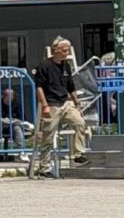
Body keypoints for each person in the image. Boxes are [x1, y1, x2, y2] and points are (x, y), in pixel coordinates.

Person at [33, 36, 89, 177]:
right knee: (48, 136)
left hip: (65, 103)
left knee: (80, 122)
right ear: (55, 50)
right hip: (52, 103)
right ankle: (44, 167)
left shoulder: (66, 66)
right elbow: (39, 87)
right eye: (64, 50)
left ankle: (78, 154)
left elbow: (71, 86)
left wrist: (76, 103)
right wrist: (45, 105)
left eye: (68, 50)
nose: (66, 53)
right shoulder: (44, 66)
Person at [0, 88, 31, 162]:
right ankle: (13, 122)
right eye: (7, 97)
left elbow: (22, 118)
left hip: (10, 128)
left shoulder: (17, 103)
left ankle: (21, 153)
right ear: (3, 96)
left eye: (11, 98)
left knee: (17, 128)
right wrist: (8, 120)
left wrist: (12, 121)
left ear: (13, 97)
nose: (8, 100)